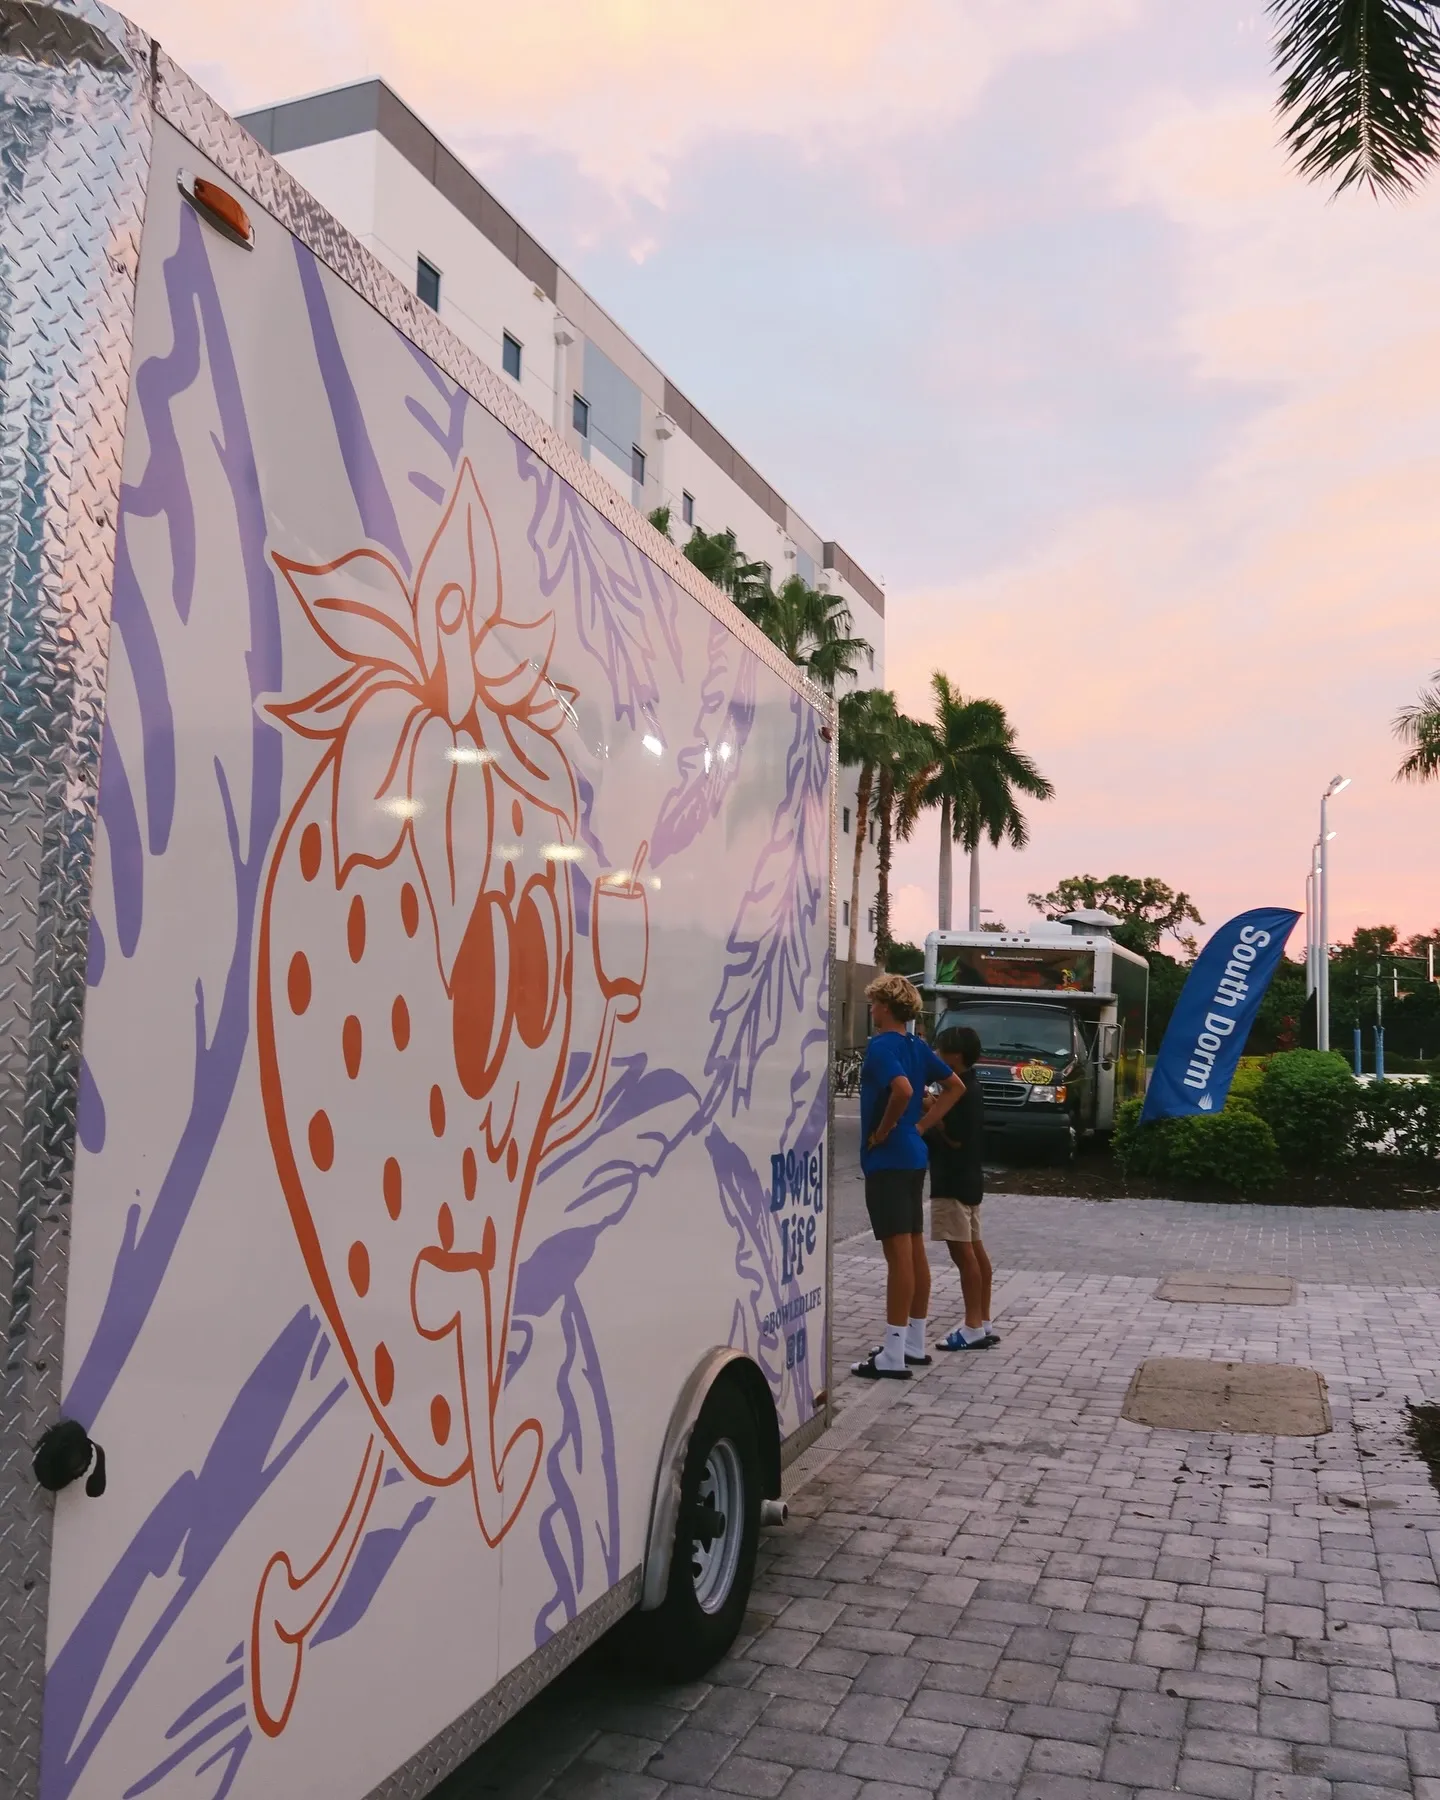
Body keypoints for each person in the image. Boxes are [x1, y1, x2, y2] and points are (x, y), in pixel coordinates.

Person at [852, 974, 964, 1380]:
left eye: (874, 1003)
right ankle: (913, 1341)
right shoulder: (917, 1046)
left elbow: (900, 1090)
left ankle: (893, 1353)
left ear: (885, 1007)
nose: (871, 1009)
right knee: (914, 1249)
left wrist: (882, 1131)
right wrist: (921, 1126)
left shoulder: (881, 1047)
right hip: (914, 1156)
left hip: (889, 1160)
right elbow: (954, 1085)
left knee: (898, 1257)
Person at [921, 1025, 998, 1351]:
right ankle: (983, 1320)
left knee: (962, 1253)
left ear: (956, 1055)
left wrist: (928, 1119)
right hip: (970, 1178)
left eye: (941, 1051)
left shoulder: (961, 1090)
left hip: (952, 1180)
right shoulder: (972, 1085)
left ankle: (971, 1327)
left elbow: (953, 1137)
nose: (937, 1056)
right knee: (976, 1251)